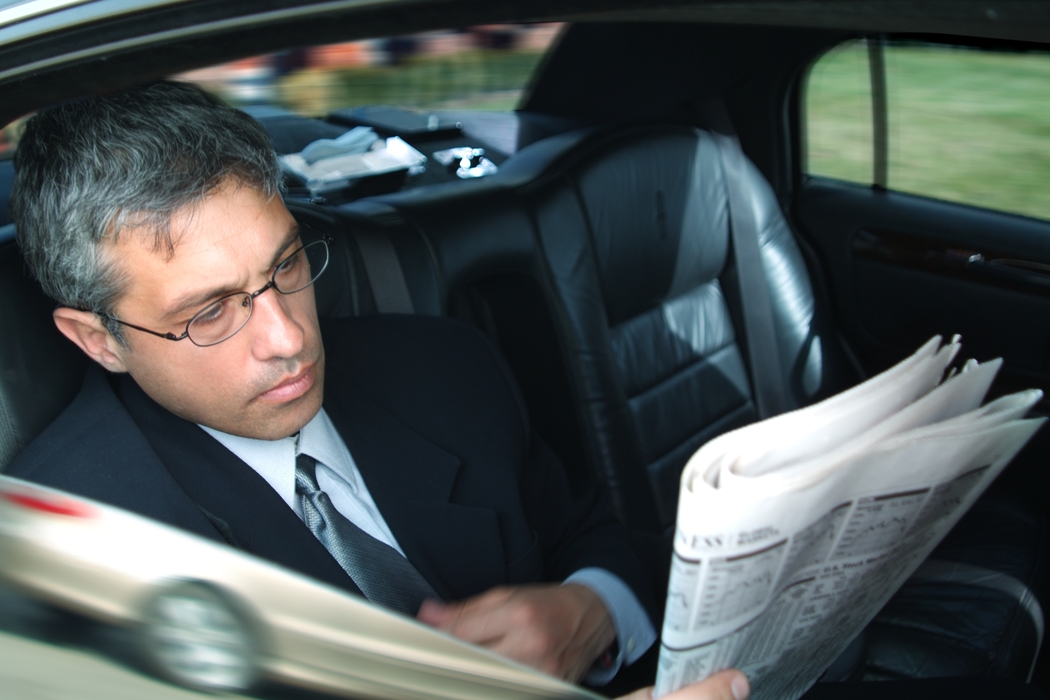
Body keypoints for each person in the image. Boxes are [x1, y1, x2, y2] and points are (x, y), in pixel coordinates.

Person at [5, 79, 680, 690]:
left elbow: (588, 534)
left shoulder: (446, 368)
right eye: (209, 313)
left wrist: (592, 609)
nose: (289, 338)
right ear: (98, 340)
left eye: (288, 262)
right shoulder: (63, 564)